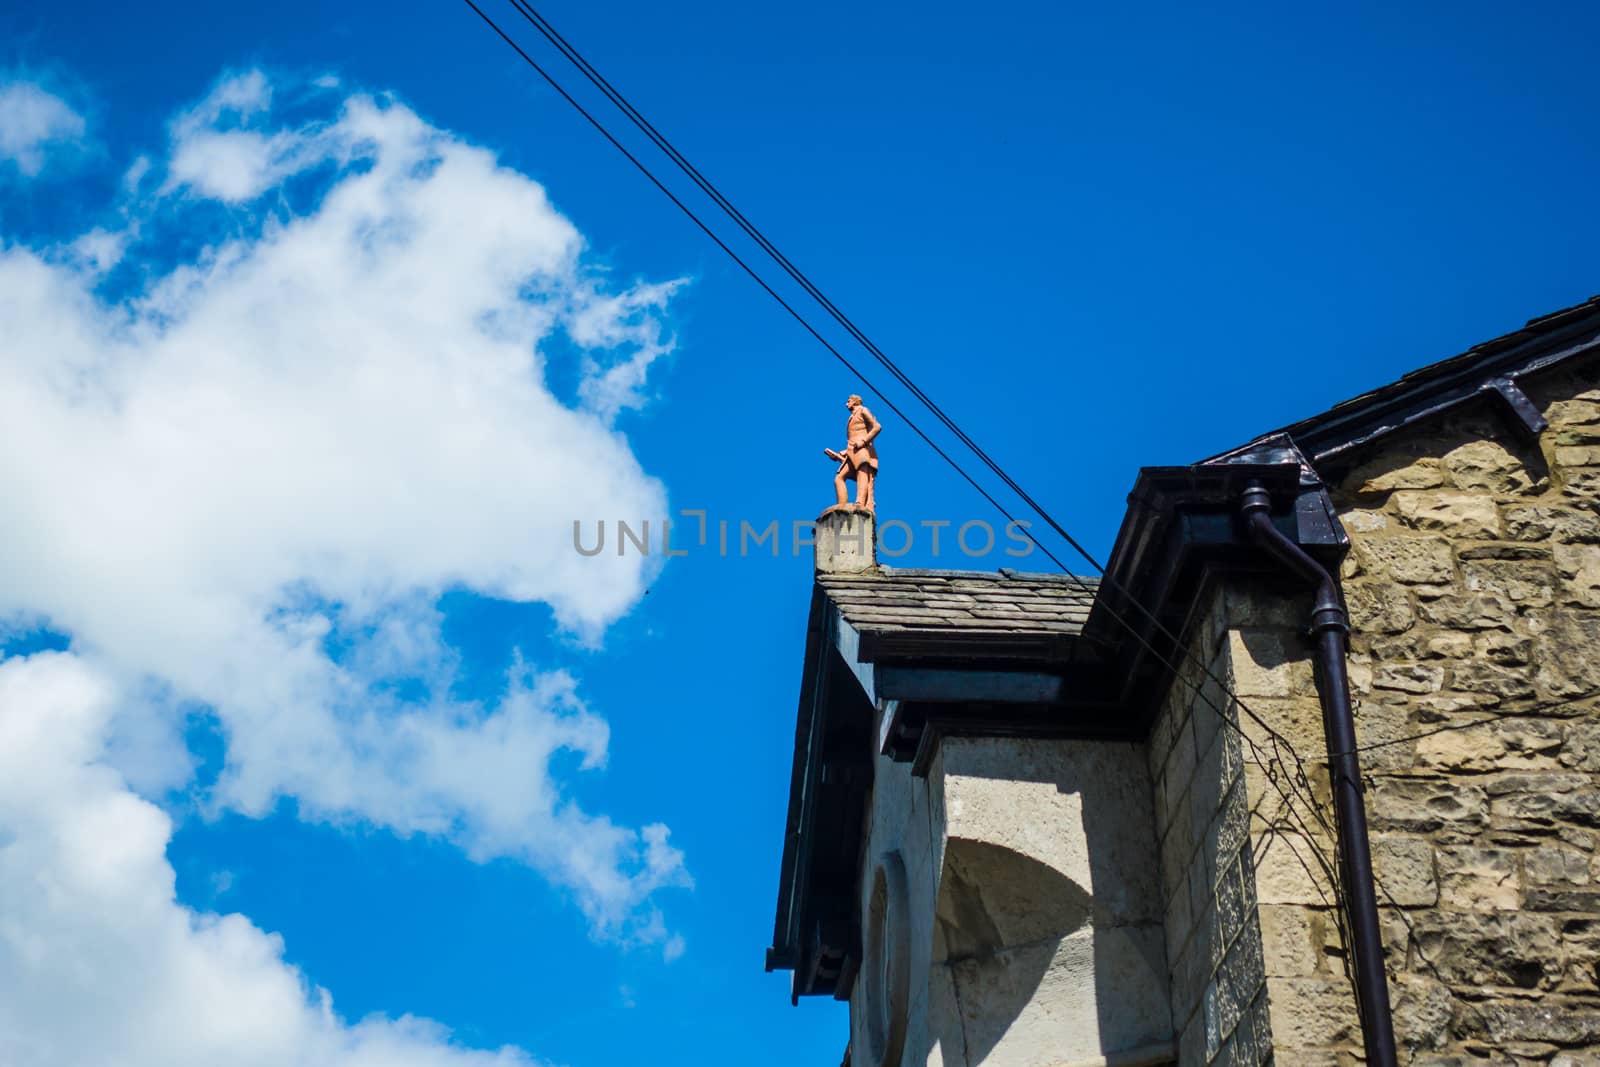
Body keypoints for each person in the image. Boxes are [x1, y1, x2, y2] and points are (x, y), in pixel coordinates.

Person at [833, 393, 880, 511]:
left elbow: (877, 426)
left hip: (862, 449)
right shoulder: (852, 416)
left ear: (855, 402)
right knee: (839, 478)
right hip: (852, 451)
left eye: (848, 401)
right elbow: (854, 436)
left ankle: (860, 503)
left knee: (862, 473)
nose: (846, 404)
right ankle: (841, 507)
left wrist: (863, 442)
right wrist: (843, 452)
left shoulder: (863, 410)